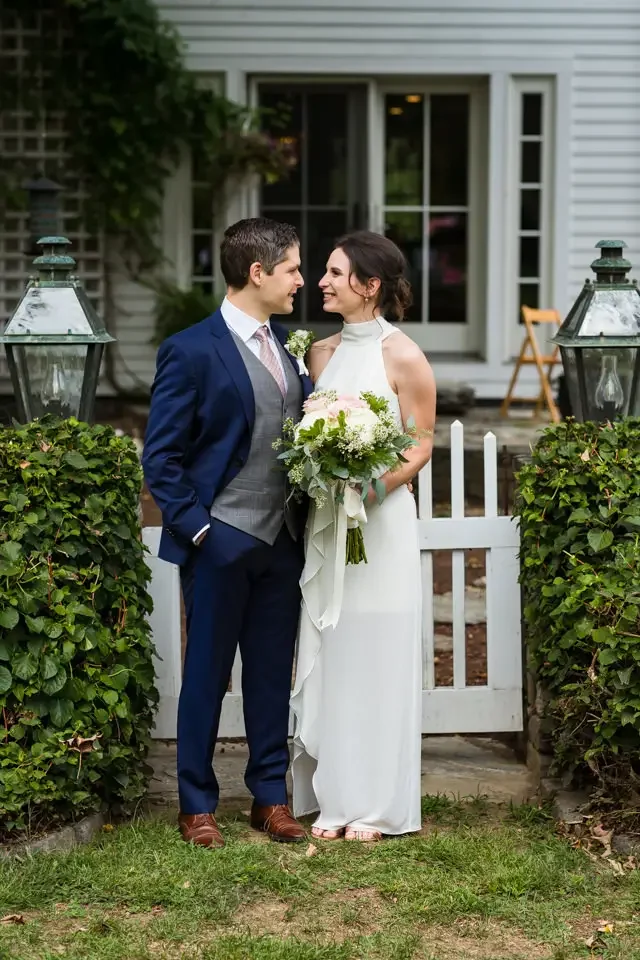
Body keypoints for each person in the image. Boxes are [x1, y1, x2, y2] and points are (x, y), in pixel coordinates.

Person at [142, 218, 312, 849]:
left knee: (271, 673)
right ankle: (196, 805)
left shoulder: (292, 346)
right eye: (293, 268)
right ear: (258, 273)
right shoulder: (189, 349)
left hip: (282, 541)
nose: (301, 280)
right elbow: (161, 458)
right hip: (218, 542)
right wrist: (201, 532)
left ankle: (270, 799)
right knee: (208, 676)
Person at [291, 230, 436, 842]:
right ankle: (336, 796)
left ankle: (377, 806)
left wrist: (372, 489)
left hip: (384, 528)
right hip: (331, 528)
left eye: (333, 272)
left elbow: (420, 442)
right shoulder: (318, 356)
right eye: (321, 271)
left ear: (369, 286)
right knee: (337, 649)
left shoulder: (405, 356)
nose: (321, 282)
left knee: (379, 652)